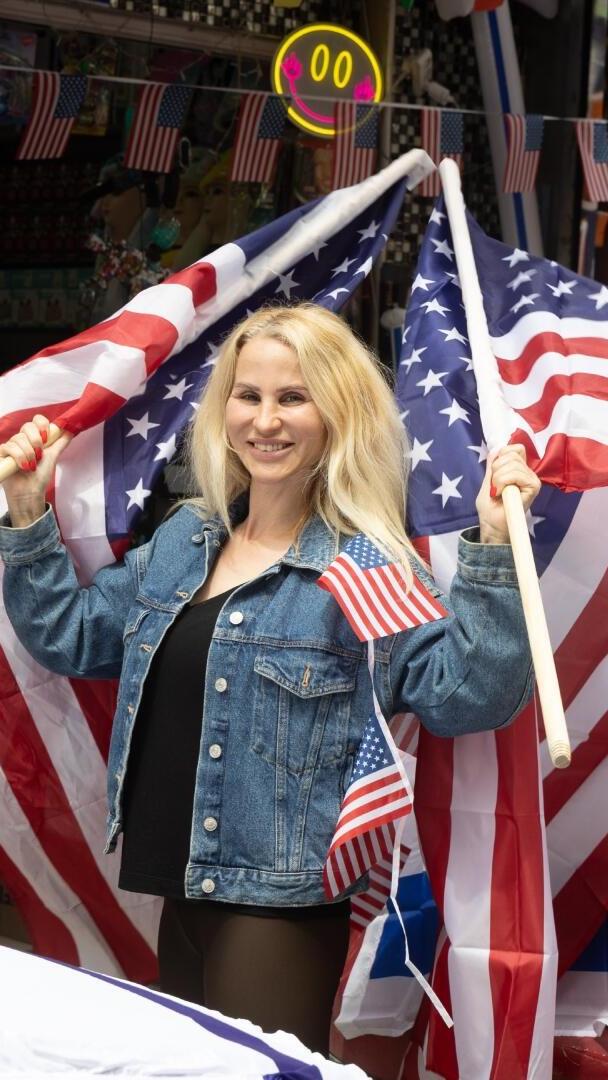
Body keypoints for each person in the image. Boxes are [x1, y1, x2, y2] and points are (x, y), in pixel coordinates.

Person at [0, 303, 539, 1054]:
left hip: (278, 914)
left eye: (293, 397)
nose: (265, 420)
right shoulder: (188, 537)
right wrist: (28, 512)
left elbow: (469, 697)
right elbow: (73, 636)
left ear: (337, 415)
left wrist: (494, 548)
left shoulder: (363, 567)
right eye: (248, 395)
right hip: (178, 885)